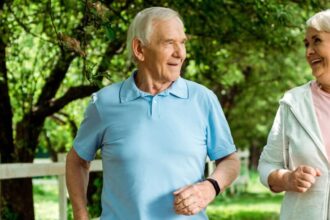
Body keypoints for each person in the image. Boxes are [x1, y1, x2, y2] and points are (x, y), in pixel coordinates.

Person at [66, 6, 240, 220]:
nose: (180, 53)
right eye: (169, 43)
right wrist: (80, 215)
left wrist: (210, 187)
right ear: (140, 49)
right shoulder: (104, 103)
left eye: (183, 42)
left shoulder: (203, 99)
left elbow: (230, 161)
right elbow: (77, 161)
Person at [258, 9, 330, 220]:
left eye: (316, 41)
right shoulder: (293, 103)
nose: (309, 52)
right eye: (307, 44)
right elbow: (267, 165)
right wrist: (287, 179)